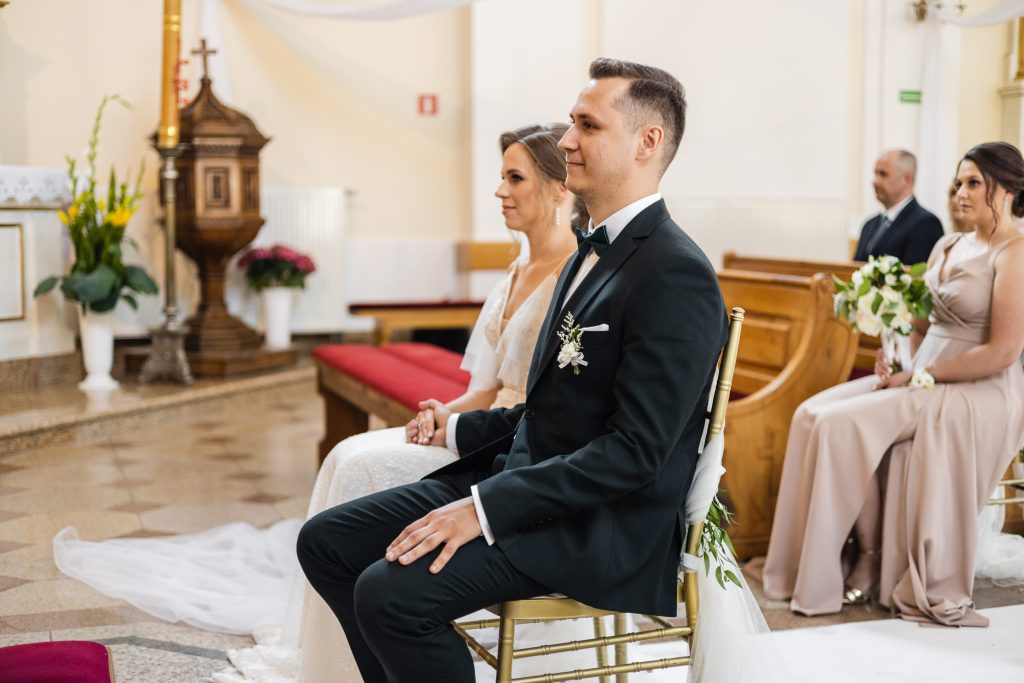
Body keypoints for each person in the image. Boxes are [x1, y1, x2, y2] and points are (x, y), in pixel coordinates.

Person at [52, 123, 585, 683]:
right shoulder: (516, 270)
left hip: (509, 443)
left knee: (361, 467)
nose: (499, 190)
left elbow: (542, 406)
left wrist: (458, 428)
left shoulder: (574, 278)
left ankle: (371, 643)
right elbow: (486, 387)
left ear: (558, 189)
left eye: (514, 178)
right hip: (482, 423)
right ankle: (350, 648)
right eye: (501, 176)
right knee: (346, 457)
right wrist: (443, 412)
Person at [296, 58, 728, 683]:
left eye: (588, 126)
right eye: (572, 122)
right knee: (326, 542)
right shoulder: (589, 253)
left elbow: (635, 453)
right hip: (525, 481)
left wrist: (484, 510)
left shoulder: (675, 272)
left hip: (597, 523)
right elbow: (552, 409)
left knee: (391, 596)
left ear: (647, 142)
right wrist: (455, 431)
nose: (567, 140)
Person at [763, 141, 1024, 627]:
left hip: (976, 391)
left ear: (1007, 189)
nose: (960, 193)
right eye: (958, 182)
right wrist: (895, 349)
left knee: (840, 427)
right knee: (810, 415)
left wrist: (922, 374)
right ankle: (798, 567)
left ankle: (863, 560)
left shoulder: (1015, 253)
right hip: (920, 375)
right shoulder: (948, 245)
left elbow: (1003, 351)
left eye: (974, 183)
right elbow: (923, 322)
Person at [853, 149, 944, 264]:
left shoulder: (926, 224)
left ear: (907, 179)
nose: (875, 181)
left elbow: (916, 273)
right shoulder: (869, 225)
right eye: (876, 174)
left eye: (883, 174)